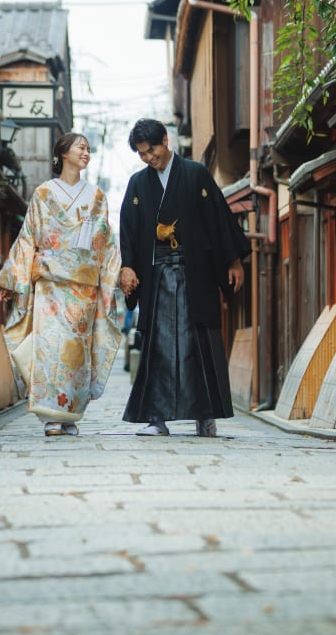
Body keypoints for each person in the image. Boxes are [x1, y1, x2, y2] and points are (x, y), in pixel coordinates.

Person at [119, 119, 251, 437]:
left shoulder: (195, 174)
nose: (149, 158)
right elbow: (129, 230)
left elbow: (217, 220)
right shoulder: (138, 184)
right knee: (158, 348)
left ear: (166, 140)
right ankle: (156, 417)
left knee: (199, 343)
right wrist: (128, 267)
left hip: (195, 275)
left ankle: (205, 416)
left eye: (152, 150)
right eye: (142, 154)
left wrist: (233, 261)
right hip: (157, 275)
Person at [0, 133, 123, 436]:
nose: (86, 153)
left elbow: (105, 242)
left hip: (83, 287)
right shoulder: (43, 193)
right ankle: (50, 414)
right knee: (50, 349)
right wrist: (15, 278)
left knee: (76, 352)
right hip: (51, 286)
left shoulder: (97, 196)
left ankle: (71, 414)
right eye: (81, 147)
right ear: (62, 153)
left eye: (89, 149)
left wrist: (113, 276)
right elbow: (29, 237)